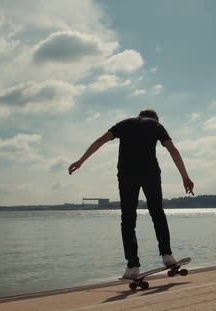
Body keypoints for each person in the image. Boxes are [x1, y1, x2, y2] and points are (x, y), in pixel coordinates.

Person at [68, 109, 194, 278]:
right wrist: (185, 177)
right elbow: (173, 150)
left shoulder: (124, 124)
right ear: (155, 118)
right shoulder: (156, 125)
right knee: (157, 213)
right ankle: (167, 256)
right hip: (151, 174)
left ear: (139, 115)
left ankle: (132, 265)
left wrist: (81, 161)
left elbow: (100, 141)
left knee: (128, 219)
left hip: (127, 175)